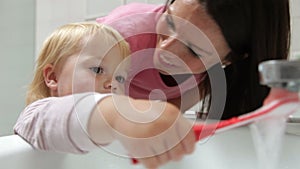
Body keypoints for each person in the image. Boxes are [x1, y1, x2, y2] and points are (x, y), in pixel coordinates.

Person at [15, 0, 291, 168]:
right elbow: (43, 117)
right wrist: (118, 115)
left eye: (194, 50)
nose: (166, 50)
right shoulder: (119, 38)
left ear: (229, 60)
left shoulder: (209, 81)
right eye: (169, 22)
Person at [14, 22, 196, 169]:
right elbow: (70, 115)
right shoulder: (36, 116)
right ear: (53, 77)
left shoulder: (108, 133)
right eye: (98, 69)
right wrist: (117, 115)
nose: (112, 83)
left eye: (120, 77)